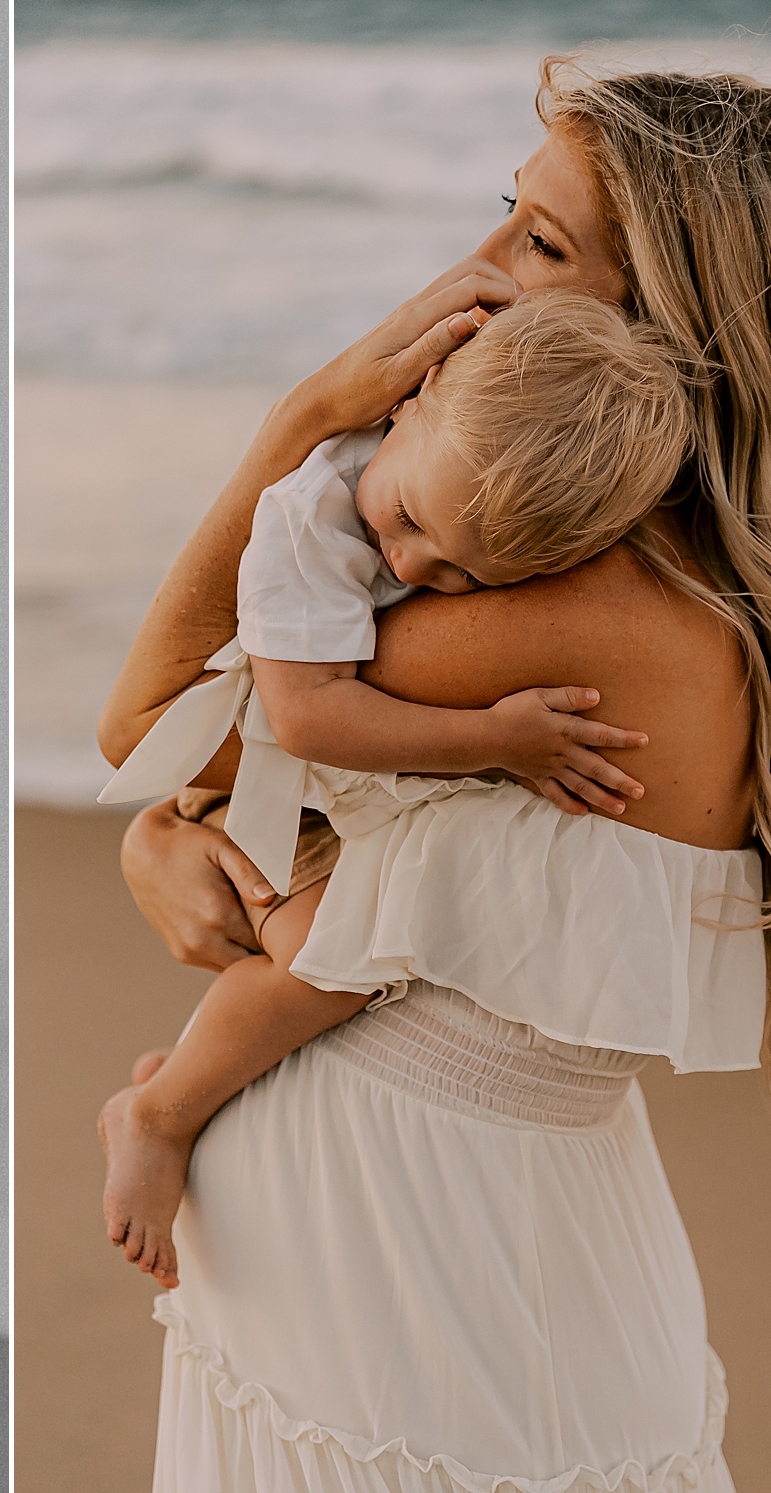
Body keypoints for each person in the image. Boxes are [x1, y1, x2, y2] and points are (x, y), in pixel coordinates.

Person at [97, 61, 771, 1491]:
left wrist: (301, 422)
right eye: (513, 214)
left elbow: (150, 727)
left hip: (408, 1246)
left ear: (668, 325)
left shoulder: (576, 608)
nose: (478, 270)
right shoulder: (718, 597)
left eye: (546, 248)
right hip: (517, 1228)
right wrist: (164, 836)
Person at [96, 290, 696, 1289]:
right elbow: (305, 719)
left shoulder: (454, 482)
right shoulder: (310, 522)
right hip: (273, 791)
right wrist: (496, 741)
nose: (410, 560)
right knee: (324, 962)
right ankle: (157, 1112)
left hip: (342, 792)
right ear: (410, 402)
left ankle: (192, 1071)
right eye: (410, 520)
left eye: (462, 574)